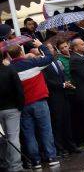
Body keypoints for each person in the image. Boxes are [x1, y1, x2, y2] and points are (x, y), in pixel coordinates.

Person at [8, 39, 61, 168]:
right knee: (45, 130)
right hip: (39, 102)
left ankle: (36, 161)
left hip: (23, 106)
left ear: (10, 55)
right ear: (21, 52)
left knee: (29, 134)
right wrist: (41, 46)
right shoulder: (33, 62)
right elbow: (49, 58)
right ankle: (51, 157)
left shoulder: (9, 70)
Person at [41, 44, 79, 157]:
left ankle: (71, 146)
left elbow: (61, 75)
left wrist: (66, 83)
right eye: (49, 49)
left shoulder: (56, 61)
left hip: (64, 95)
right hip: (54, 97)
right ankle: (60, 148)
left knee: (67, 121)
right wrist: (62, 85)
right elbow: (47, 81)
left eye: (52, 48)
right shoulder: (43, 64)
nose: (52, 50)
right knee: (58, 123)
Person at [0, 51, 25, 172]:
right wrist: (20, 105)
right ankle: (15, 166)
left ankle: (6, 164)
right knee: (13, 137)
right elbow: (19, 89)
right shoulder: (10, 70)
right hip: (12, 108)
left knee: (4, 138)